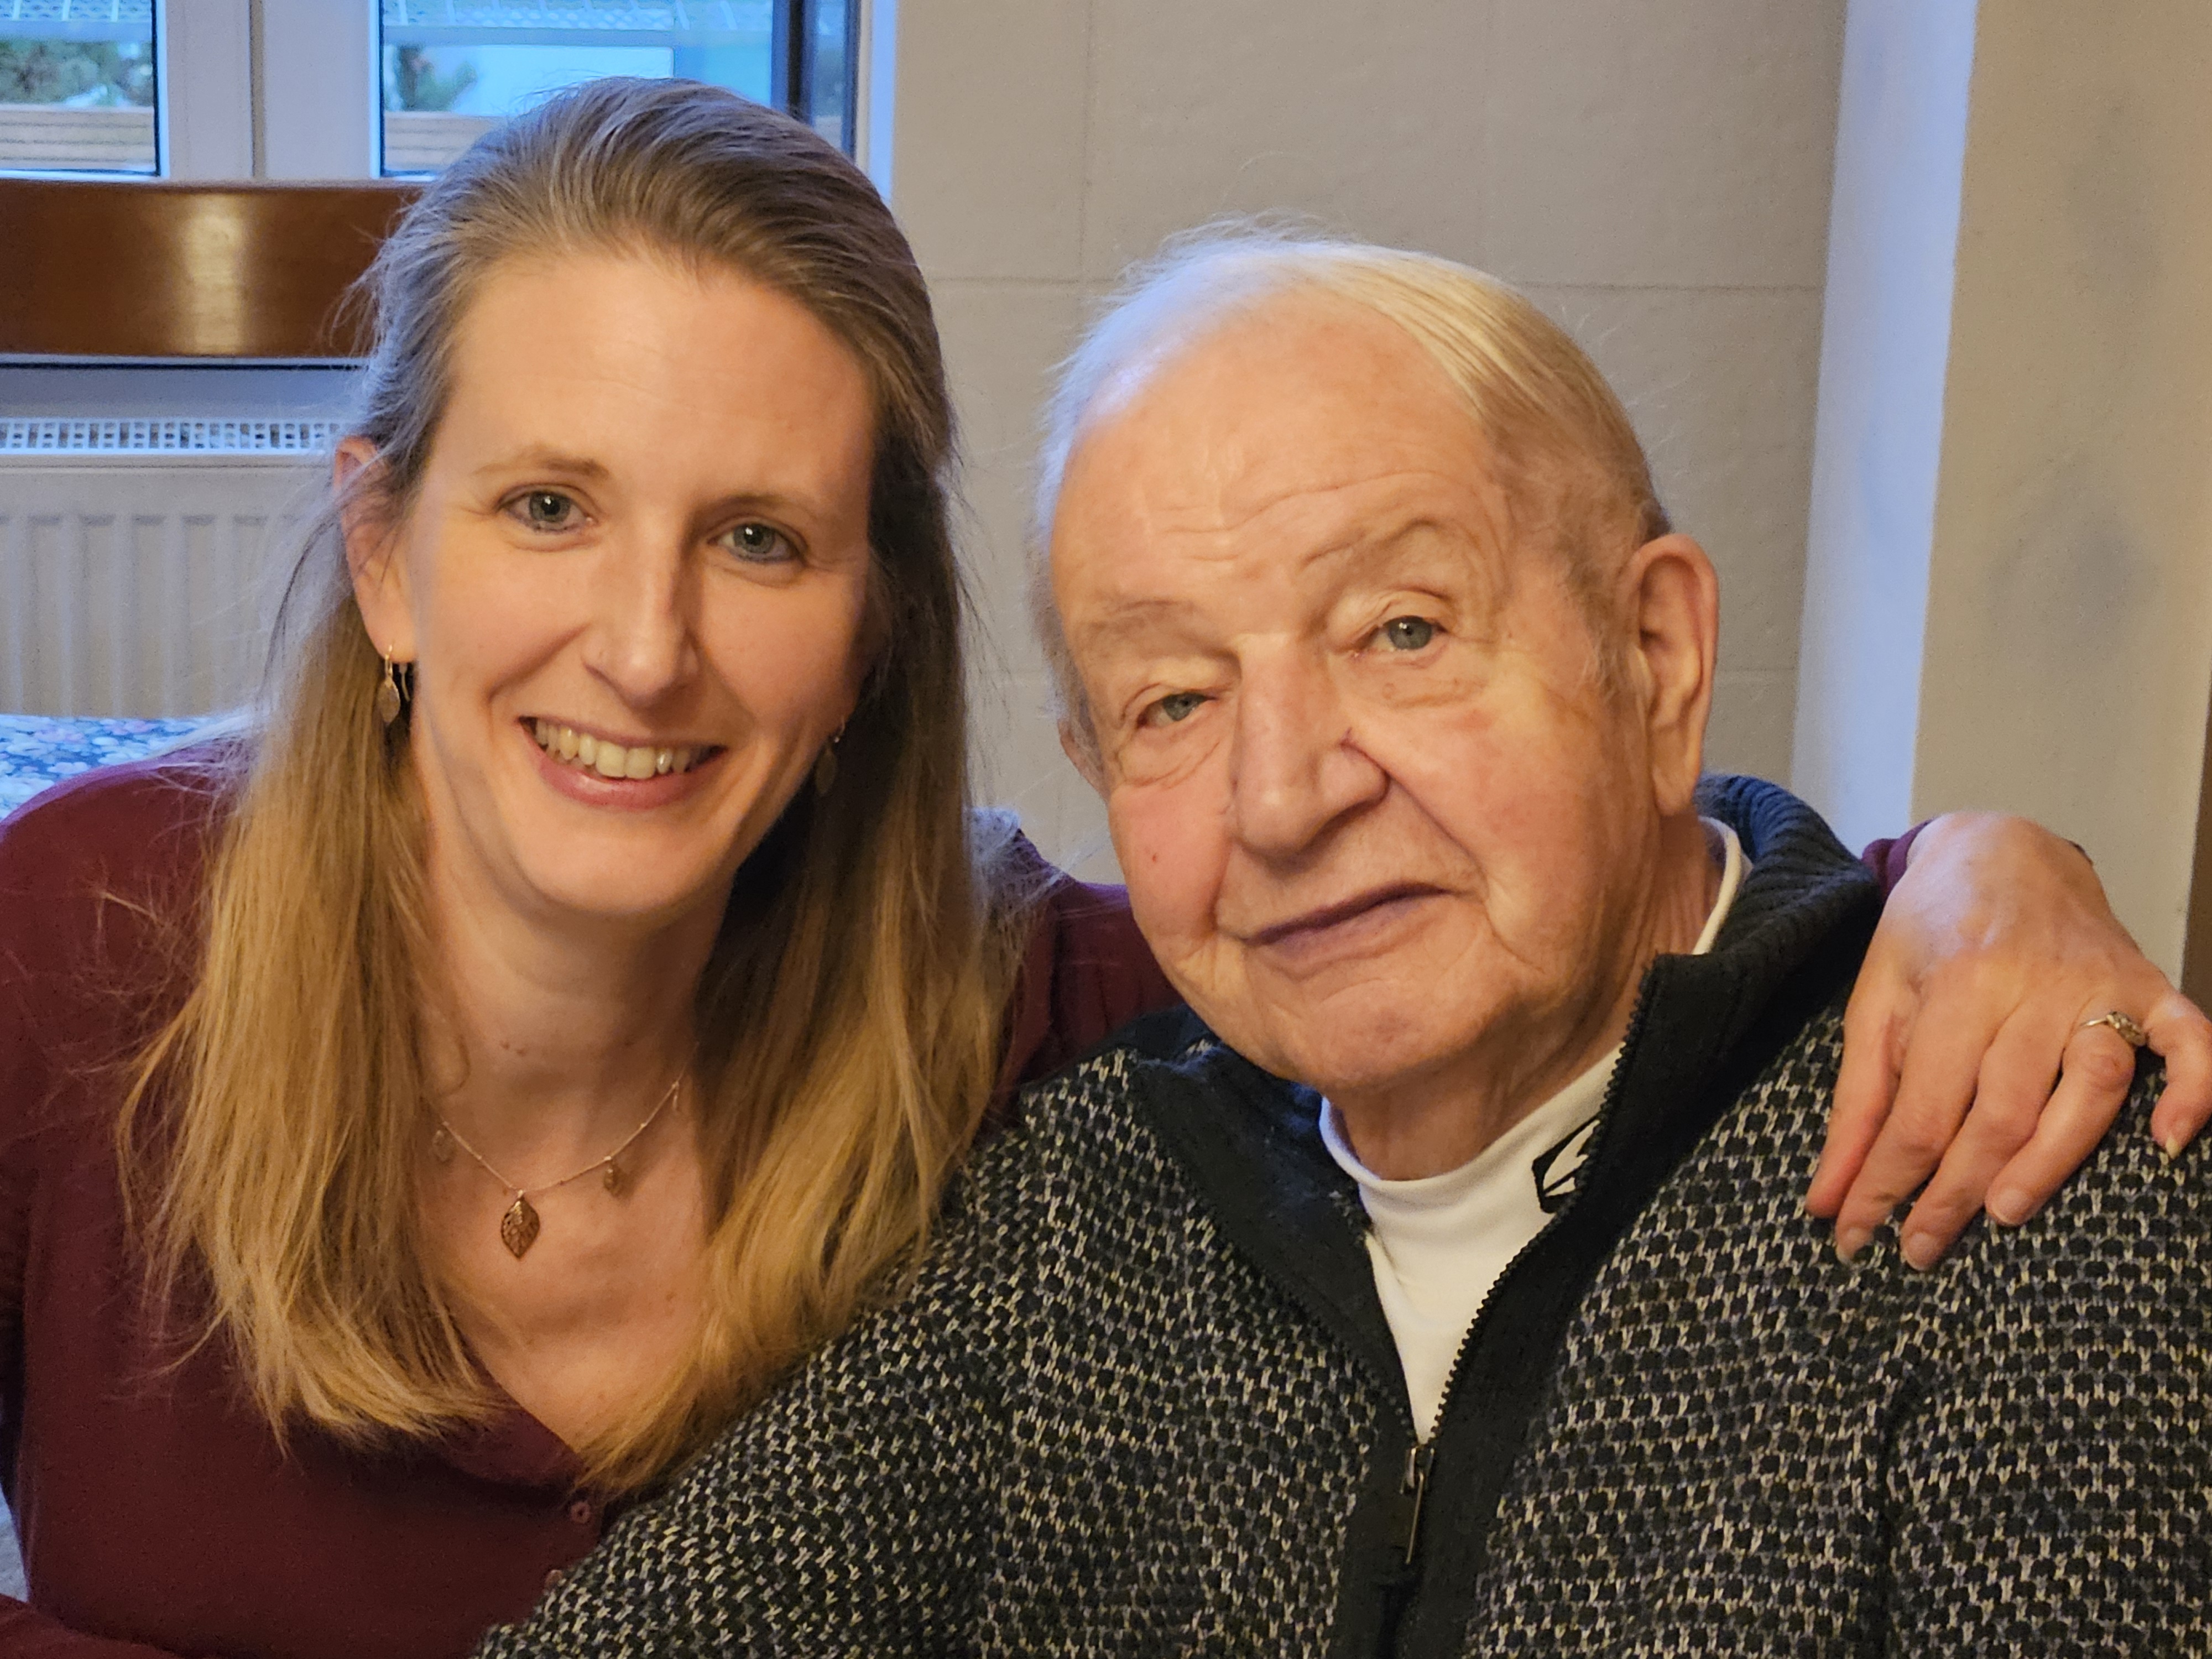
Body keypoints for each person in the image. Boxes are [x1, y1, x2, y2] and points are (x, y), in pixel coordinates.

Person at [0, 85, 2194, 1658]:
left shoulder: (2007, 1179)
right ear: (386, 555)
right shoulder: (1102, 1189)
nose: (1283, 799)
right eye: (1171, 698)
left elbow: (1632, 933)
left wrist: (1982, 871)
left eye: (1399, 630)